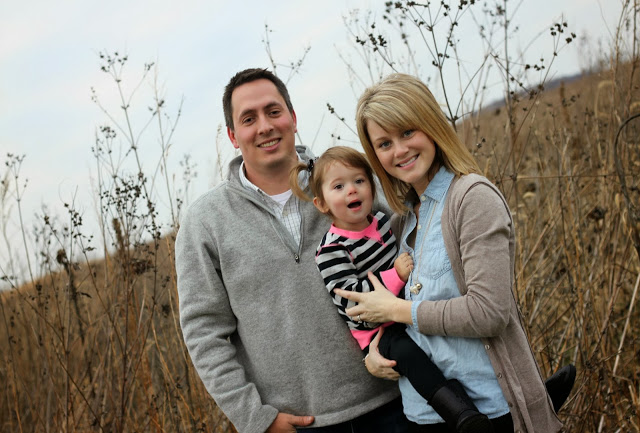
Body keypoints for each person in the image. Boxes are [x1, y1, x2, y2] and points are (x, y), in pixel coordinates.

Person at [175, 68, 408, 433]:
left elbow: (412, 239)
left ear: (293, 118)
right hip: (298, 425)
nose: (265, 126)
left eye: (273, 111)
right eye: (249, 119)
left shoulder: (351, 180)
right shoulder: (205, 222)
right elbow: (204, 331)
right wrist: (256, 419)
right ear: (233, 136)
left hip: (394, 400)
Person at [333, 73, 565, 433]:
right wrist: (373, 355)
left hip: (489, 413)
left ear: (431, 124)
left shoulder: (471, 199)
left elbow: (489, 312)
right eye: (384, 143)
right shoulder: (400, 223)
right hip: (422, 416)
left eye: (408, 132)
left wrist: (398, 309)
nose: (399, 150)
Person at [289, 146, 493, 433]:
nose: (352, 190)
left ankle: (505, 399)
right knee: (408, 354)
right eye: (339, 186)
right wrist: (395, 276)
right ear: (321, 204)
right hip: (377, 332)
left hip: (404, 311)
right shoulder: (332, 250)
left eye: (359, 181)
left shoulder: (384, 223)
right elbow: (353, 304)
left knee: (444, 340)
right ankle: (459, 413)